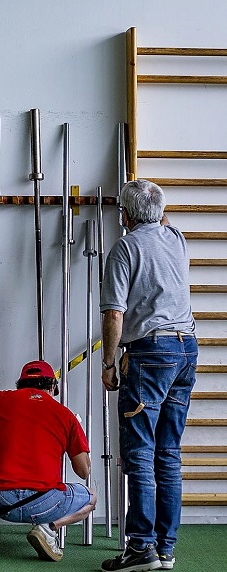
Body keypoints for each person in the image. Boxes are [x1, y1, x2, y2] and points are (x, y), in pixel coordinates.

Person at [100, 179, 197, 572]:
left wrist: (109, 363)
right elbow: (160, 217)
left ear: (124, 215)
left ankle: (141, 548)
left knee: (139, 455)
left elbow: (113, 314)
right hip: (187, 349)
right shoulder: (176, 237)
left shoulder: (125, 247)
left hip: (150, 353)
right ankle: (165, 550)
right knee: (168, 453)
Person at [0, 360, 96, 561]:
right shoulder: (66, 416)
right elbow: (83, 471)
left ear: (21, 384)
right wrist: (78, 434)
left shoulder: (2, 400)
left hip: (1, 502)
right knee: (91, 497)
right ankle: (48, 529)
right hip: (46, 506)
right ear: (52, 386)